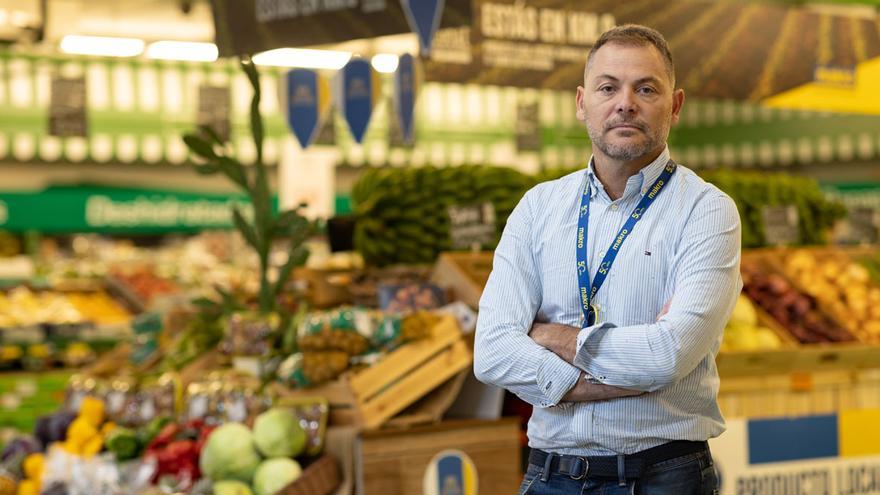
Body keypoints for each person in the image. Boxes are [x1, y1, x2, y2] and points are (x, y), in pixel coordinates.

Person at [474, 24, 741, 494]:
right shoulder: (538, 208)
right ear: (582, 103)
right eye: (607, 87)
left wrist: (552, 337)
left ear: (674, 105)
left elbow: (668, 355)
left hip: (664, 476)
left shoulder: (706, 210)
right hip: (550, 476)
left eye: (646, 88)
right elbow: (492, 353)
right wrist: (620, 375)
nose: (625, 103)